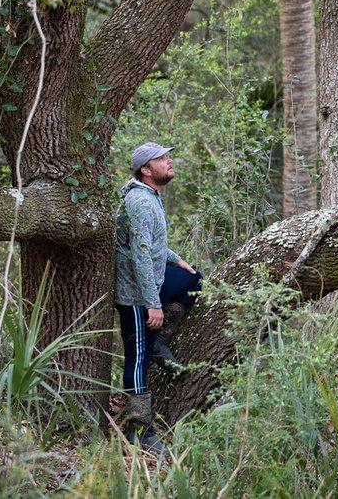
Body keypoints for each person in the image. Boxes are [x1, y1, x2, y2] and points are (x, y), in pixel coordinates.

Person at [115, 142, 202, 455]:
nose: (169, 161)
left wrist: (176, 259)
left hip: (153, 282)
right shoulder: (139, 201)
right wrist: (153, 304)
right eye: (161, 159)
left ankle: (160, 342)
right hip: (136, 294)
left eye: (168, 156)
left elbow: (149, 246)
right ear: (145, 169)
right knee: (137, 359)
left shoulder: (149, 196)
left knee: (193, 281)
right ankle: (141, 431)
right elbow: (139, 256)